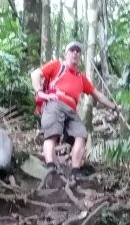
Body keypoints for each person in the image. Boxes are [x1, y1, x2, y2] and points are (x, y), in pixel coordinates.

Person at [30, 41, 118, 179]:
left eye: (78, 51)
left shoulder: (81, 78)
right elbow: (36, 74)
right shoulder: (57, 65)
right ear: (66, 54)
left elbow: (98, 95)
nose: (75, 53)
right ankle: (51, 167)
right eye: (72, 50)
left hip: (71, 109)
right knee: (52, 134)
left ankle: (75, 171)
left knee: (81, 135)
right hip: (55, 102)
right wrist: (39, 92)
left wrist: (113, 106)